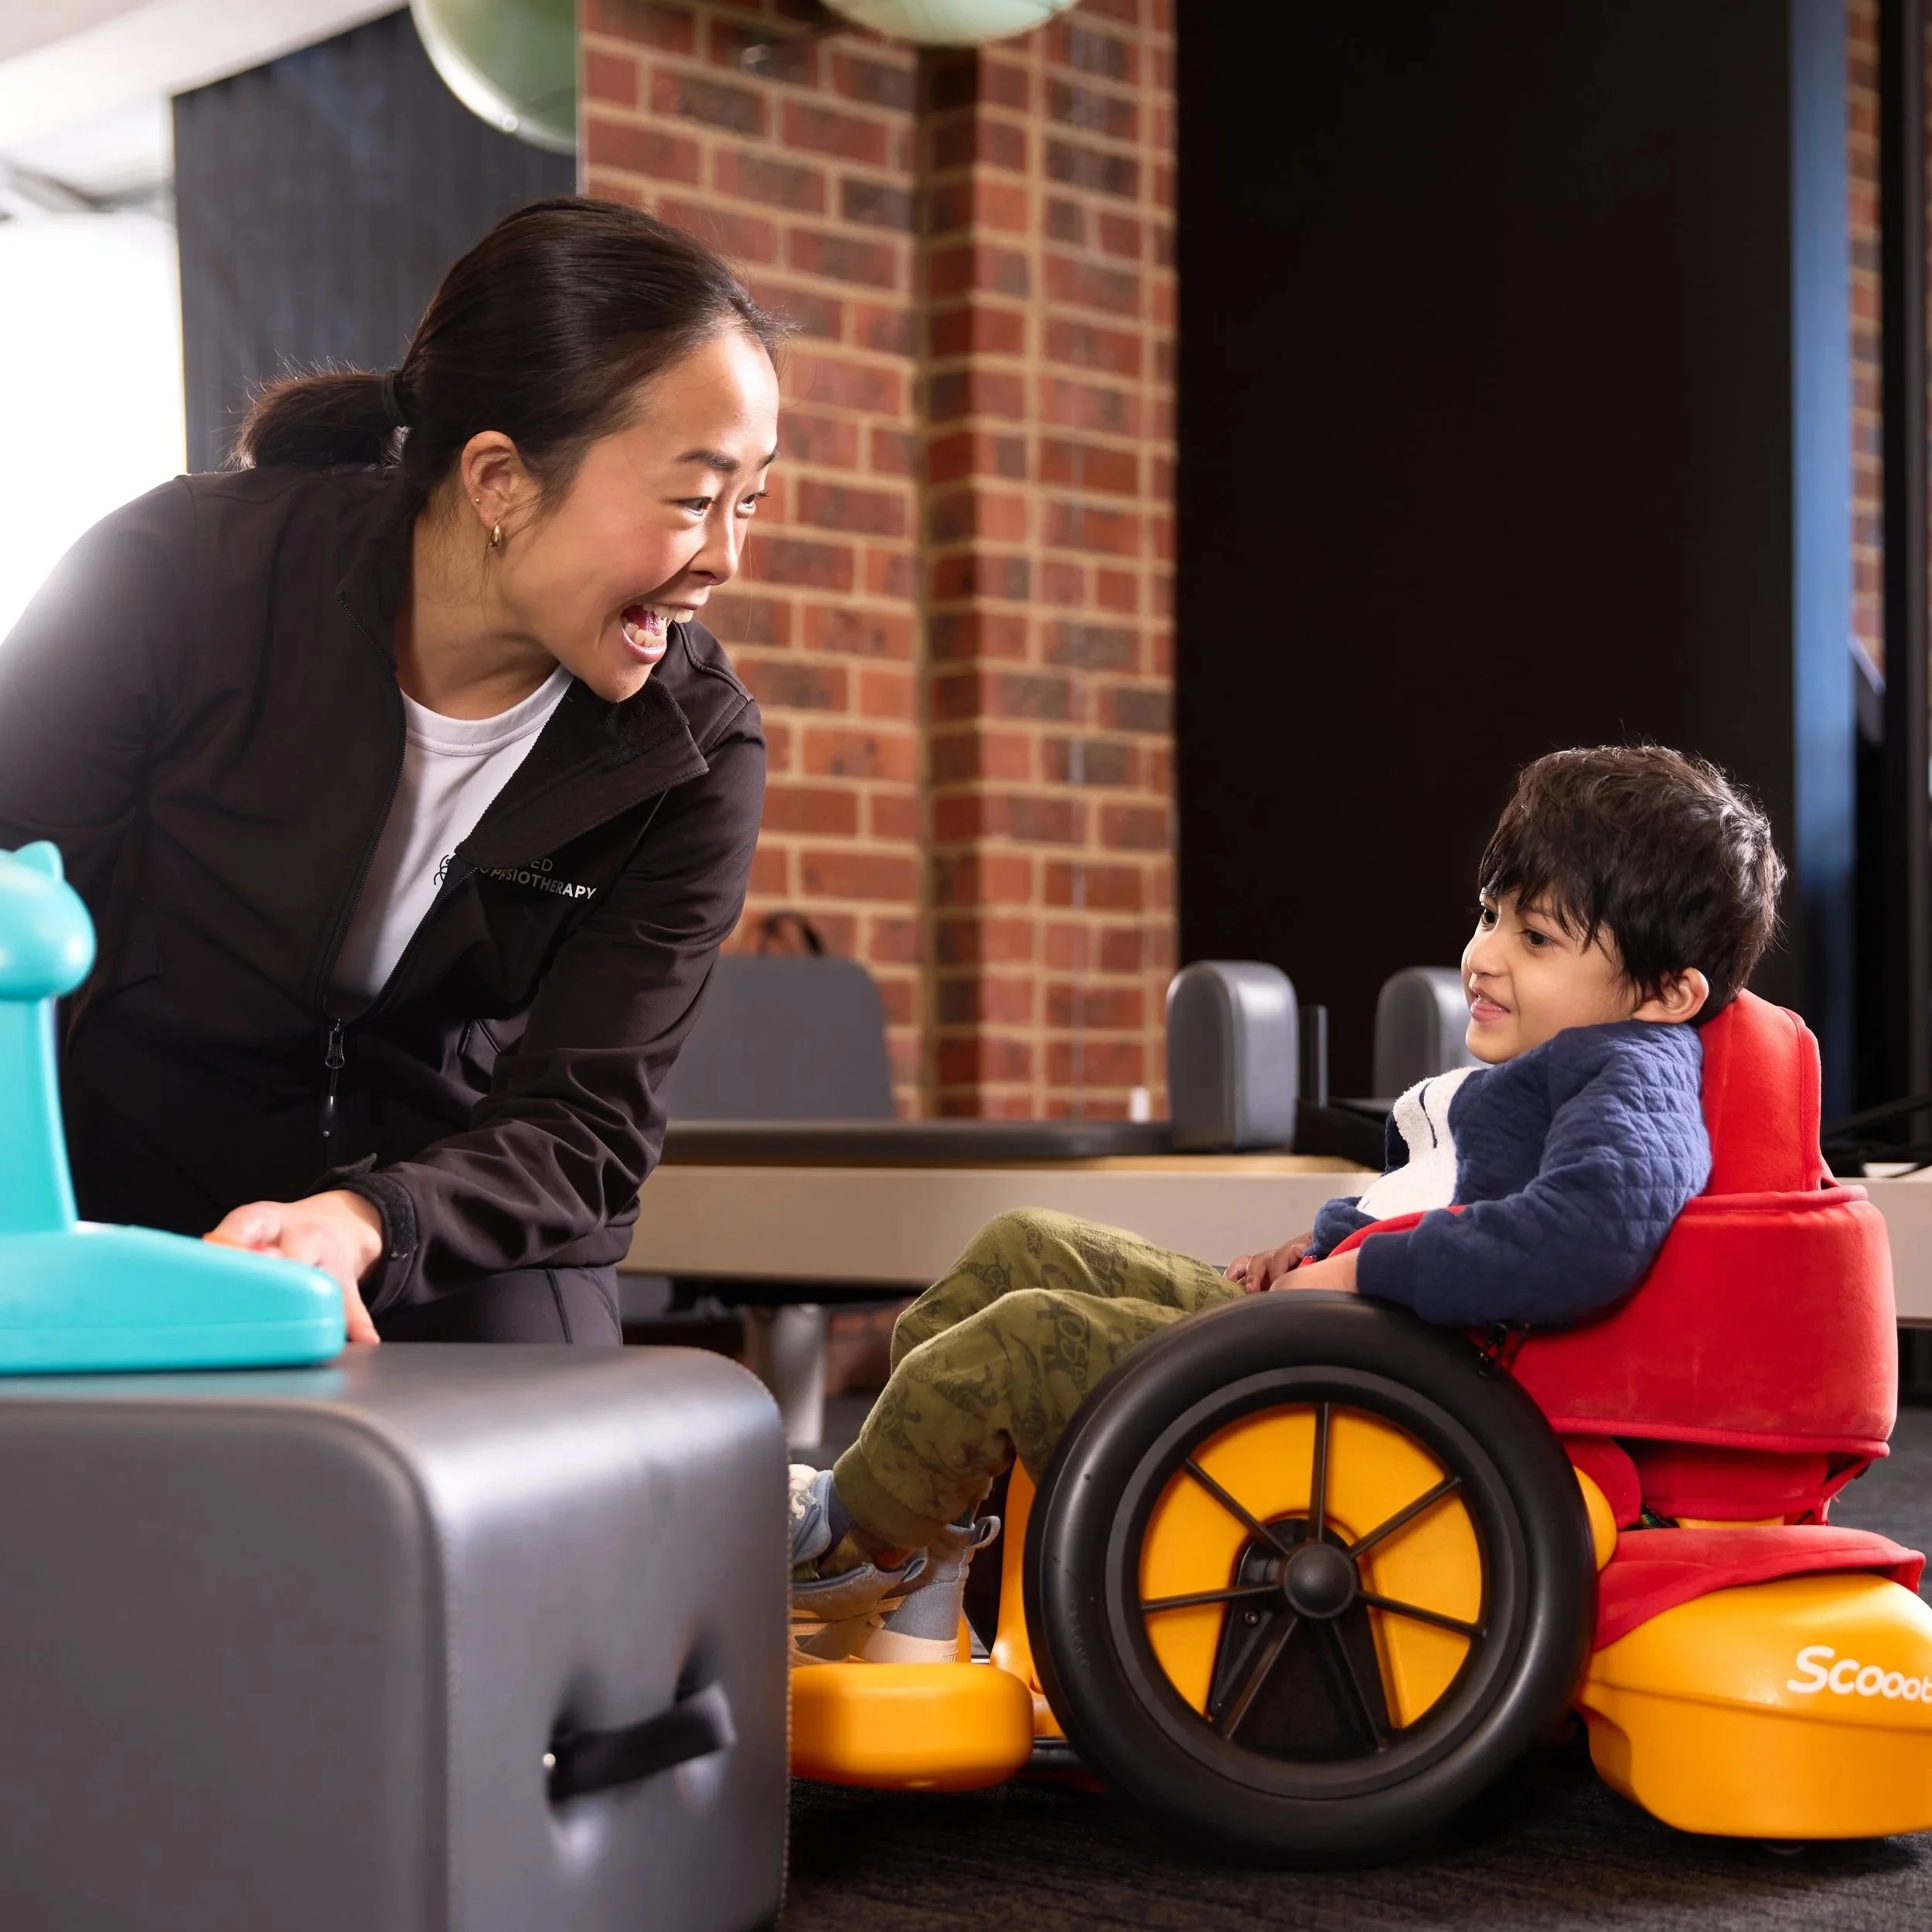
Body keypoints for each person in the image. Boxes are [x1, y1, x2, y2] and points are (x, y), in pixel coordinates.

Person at [790, 745, 1785, 1661]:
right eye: (1490, 917)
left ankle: (851, 1540)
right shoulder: (1570, 1058)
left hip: (1369, 1396)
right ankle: (920, 1549)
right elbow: (1440, 1202)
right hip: (1326, 1338)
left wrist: (1359, 1268)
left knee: (1022, 1342)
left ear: (1666, 993)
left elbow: (1589, 1233)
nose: (1483, 957)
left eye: (1535, 937)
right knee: (1021, 1247)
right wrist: (1319, 1244)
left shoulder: (1632, 1071)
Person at [0, 198, 781, 1345]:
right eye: (691, 500)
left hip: (455, 1223)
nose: (724, 557)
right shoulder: (178, 574)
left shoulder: (693, 750)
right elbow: (18, 892)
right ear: (499, 479)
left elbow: (585, 1122)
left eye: (748, 500)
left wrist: (366, 1218)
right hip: (131, 1180)